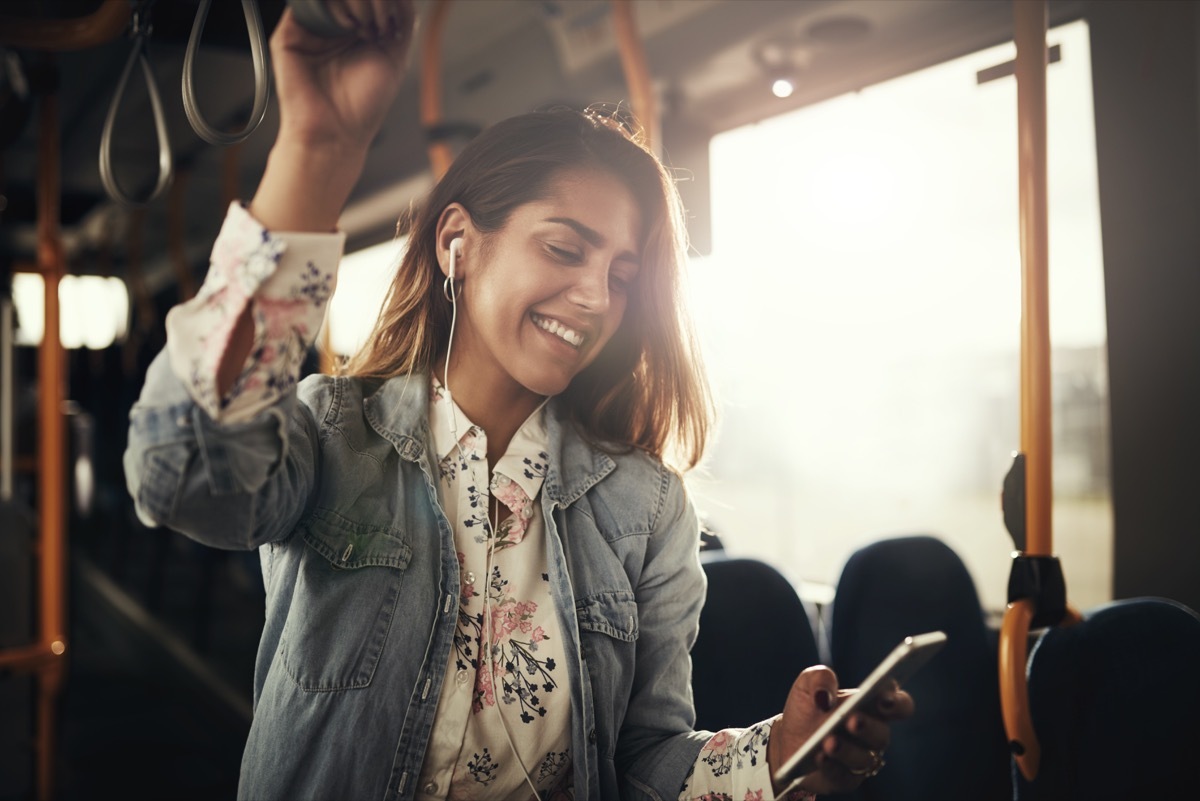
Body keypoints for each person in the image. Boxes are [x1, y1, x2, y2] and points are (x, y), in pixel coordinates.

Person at [124, 2, 913, 799]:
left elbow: (641, 760)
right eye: (564, 248)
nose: (596, 296)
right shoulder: (335, 432)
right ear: (457, 243)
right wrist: (317, 152)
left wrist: (773, 755)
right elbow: (179, 475)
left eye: (622, 276)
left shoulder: (646, 506)